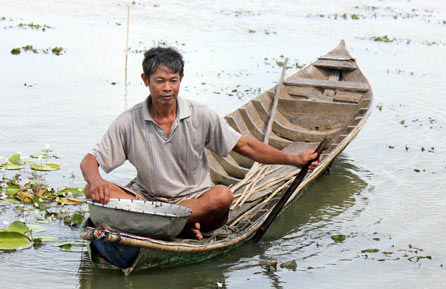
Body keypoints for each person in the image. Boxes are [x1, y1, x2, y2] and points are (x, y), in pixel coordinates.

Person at [80, 46, 320, 240]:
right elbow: (90, 161)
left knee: (222, 196)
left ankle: (166, 226)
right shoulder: (128, 121)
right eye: (159, 81)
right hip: (148, 202)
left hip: (195, 204)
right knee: (100, 192)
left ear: (181, 79)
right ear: (145, 80)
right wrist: (95, 180)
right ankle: (179, 229)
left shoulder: (201, 115)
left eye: (173, 81)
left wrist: (293, 160)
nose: (167, 88)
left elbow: (245, 147)